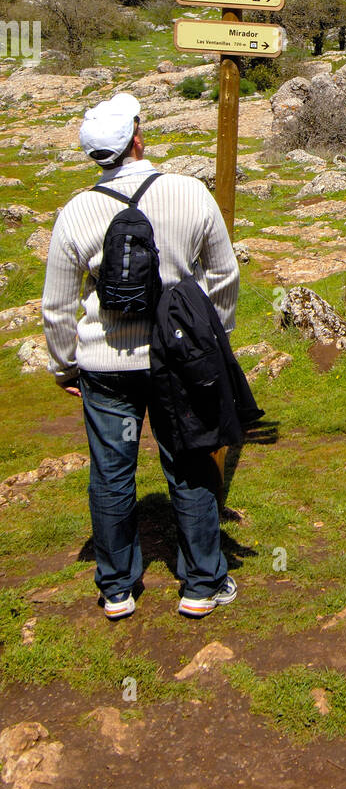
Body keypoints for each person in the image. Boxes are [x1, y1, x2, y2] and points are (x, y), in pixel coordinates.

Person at [42, 91, 241, 620]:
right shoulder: (189, 192)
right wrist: (210, 342)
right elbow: (224, 274)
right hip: (177, 360)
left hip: (105, 365)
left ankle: (116, 589)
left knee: (111, 472)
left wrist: (65, 365)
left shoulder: (76, 211)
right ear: (137, 137)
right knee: (189, 464)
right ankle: (202, 583)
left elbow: (58, 305)